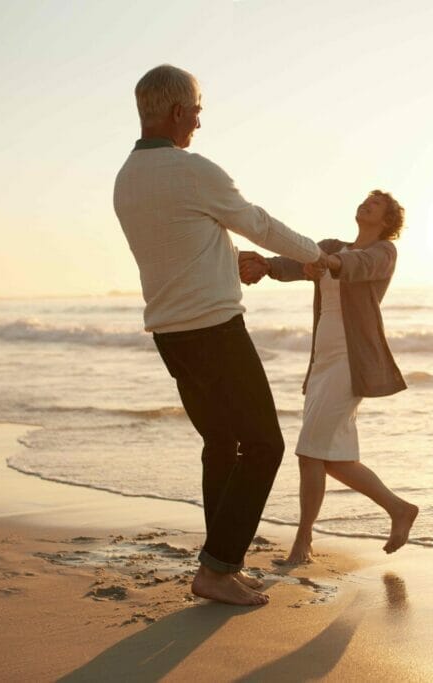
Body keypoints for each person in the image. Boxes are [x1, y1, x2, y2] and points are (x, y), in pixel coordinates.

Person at [113, 64, 328, 606]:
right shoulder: (192, 170)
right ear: (179, 111)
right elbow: (259, 221)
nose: (200, 123)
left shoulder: (126, 178)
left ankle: (220, 564)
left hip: (171, 334)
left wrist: (233, 263)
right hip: (214, 331)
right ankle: (217, 569)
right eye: (198, 111)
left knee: (222, 445)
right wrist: (320, 258)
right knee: (264, 445)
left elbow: (179, 251)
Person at [240, 190, 419, 565]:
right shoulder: (330, 246)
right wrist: (266, 266)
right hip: (322, 361)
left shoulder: (384, 252)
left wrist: (325, 262)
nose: (366, 204)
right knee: (326, 457)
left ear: (386, 222)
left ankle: (303, 543)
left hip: (350, 362)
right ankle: (398, 508)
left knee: (310, 452)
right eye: (366, 199)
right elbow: (294, 263)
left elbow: (357, 266)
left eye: (376, 204)